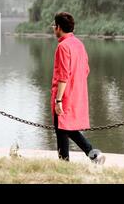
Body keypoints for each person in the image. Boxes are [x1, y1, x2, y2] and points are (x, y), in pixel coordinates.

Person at [51, 12, 105, 164]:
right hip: (76, 94)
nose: (54, 29)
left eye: (54, 26)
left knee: (61, 130)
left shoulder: (63, 46)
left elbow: (63, 76)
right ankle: (94, 154)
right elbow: (85, 70)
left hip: (65, 95)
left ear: (59, 27)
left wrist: (58, 100)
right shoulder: (79, 44)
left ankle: (64, 164)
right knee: (67, 128)